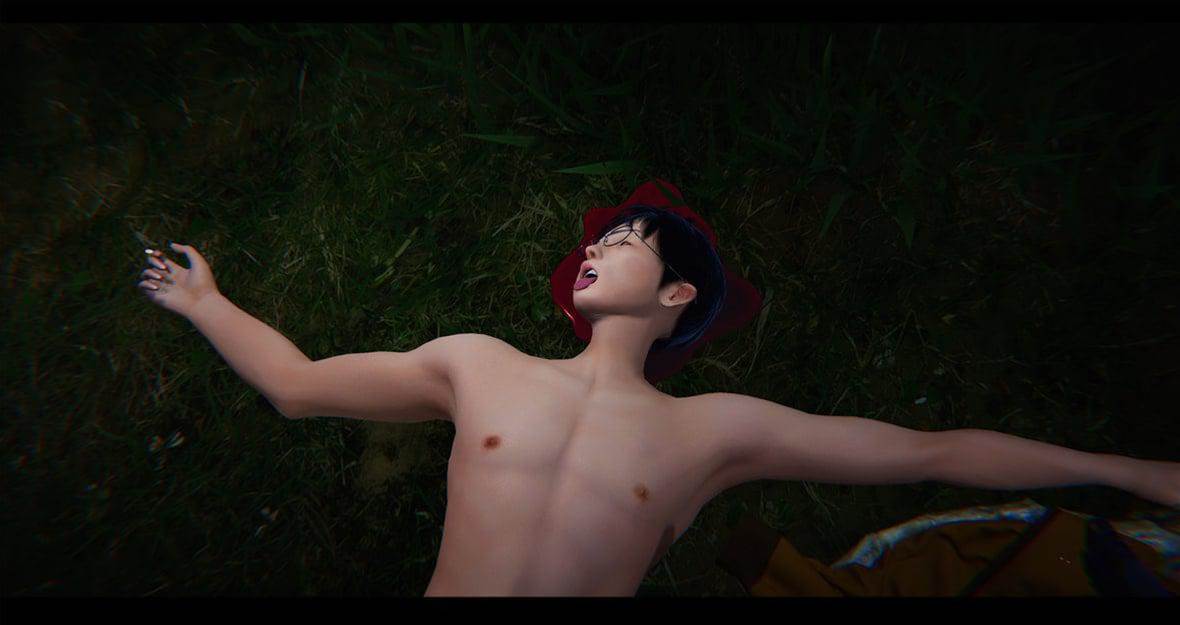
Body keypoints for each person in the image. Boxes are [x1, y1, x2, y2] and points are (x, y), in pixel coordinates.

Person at [136, 180, 1180, 596]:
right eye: (594, 242)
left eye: (624, 240)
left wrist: (1133, 471)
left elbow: (929, 452)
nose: (594, 248)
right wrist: (205, 303)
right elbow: (300, 386)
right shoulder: (479, 362)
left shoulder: (710, 432)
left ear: (678, 293)